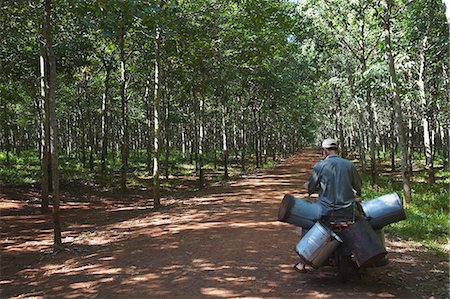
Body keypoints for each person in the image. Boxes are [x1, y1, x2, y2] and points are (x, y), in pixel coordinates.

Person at [294, 138, 362, 273]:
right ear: (337, 149)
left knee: (307, 223)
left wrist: (311, 189)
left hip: (326, 211)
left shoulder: (320, 166)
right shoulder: (349, 165)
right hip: (348, 211)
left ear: (325, 151)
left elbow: (311, 187)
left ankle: (302, 262)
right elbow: (358, 186)